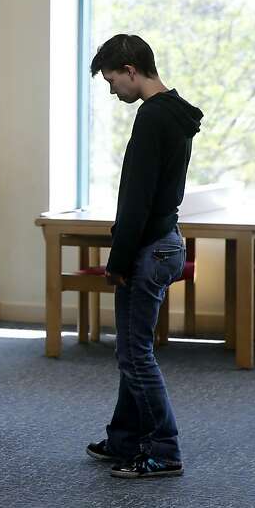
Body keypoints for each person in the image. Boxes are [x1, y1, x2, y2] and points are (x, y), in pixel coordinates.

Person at [84, 34, 203, 479]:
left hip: (149, 248)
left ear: (131, 70)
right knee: (132, 351)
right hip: (167, 240)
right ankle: (125, 439)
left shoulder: (152, 118)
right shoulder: (176, 112)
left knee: (135, 355)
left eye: (113, 80)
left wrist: (118, 260)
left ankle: (164, 448)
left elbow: (137, 198)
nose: (113, 91)